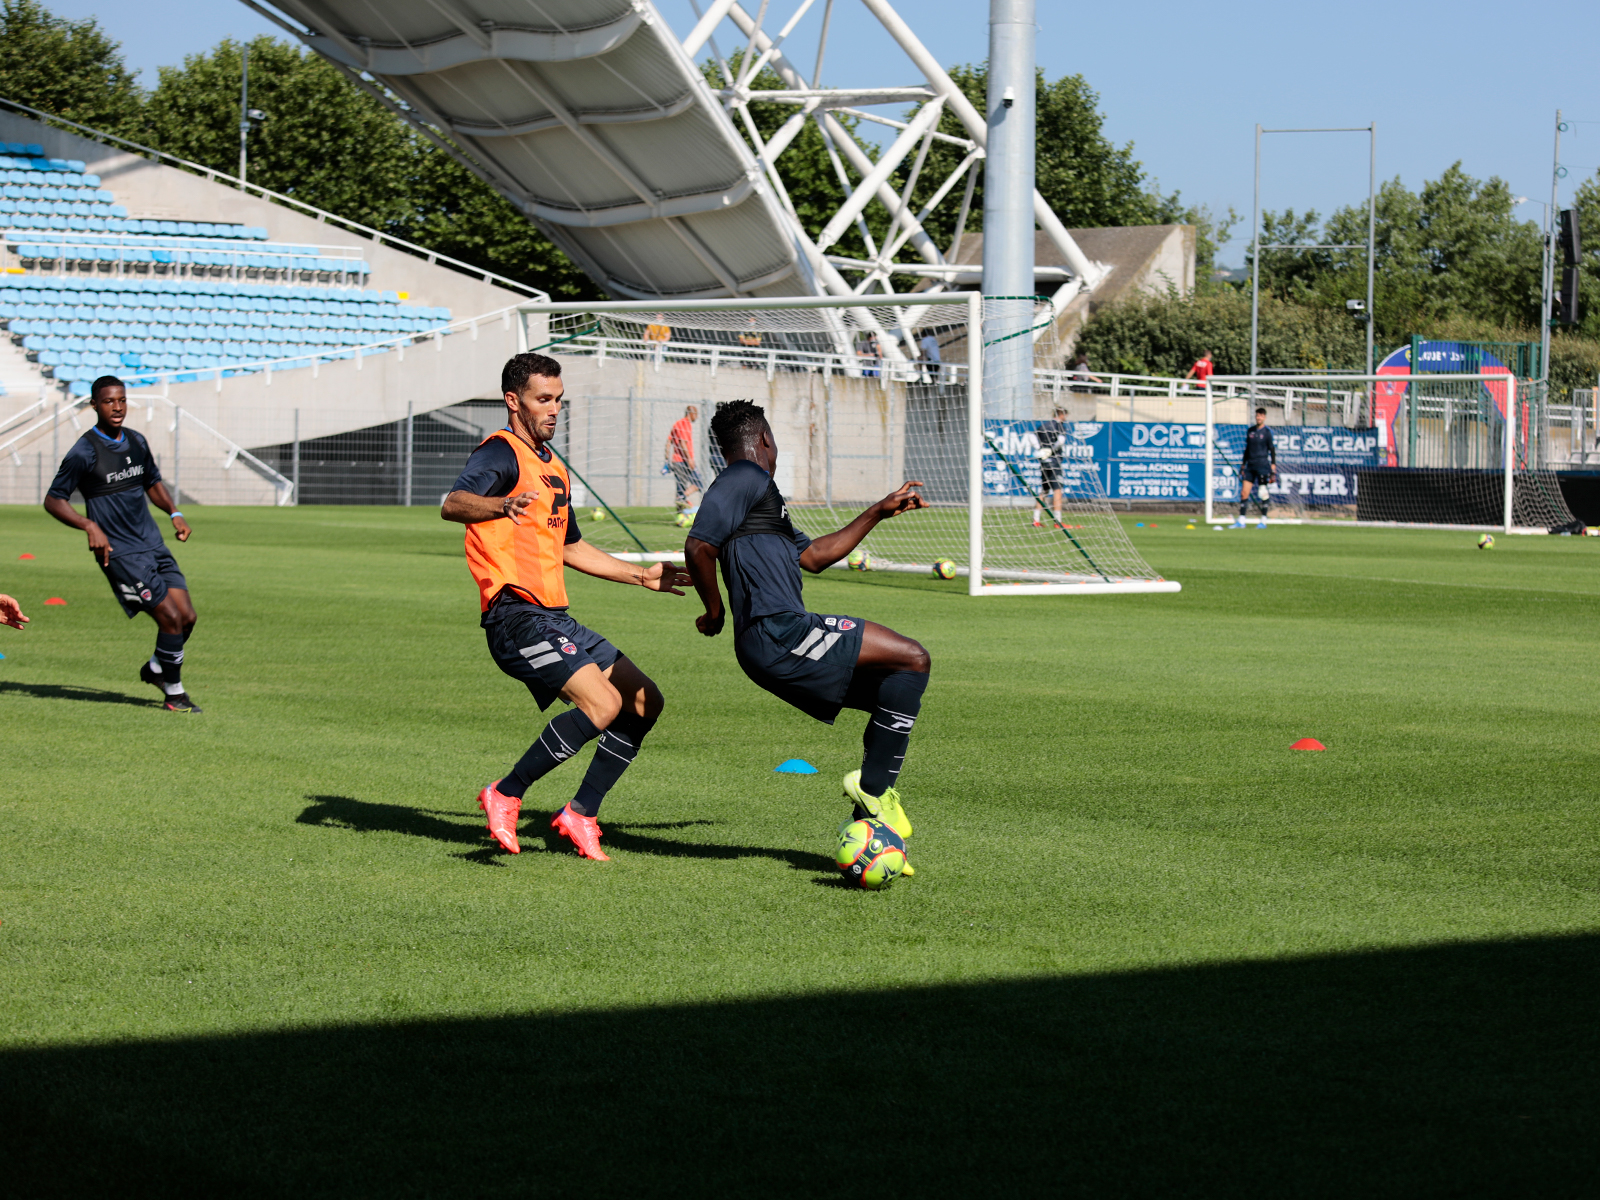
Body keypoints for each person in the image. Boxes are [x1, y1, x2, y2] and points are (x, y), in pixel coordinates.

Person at [443, 352, 692, 860]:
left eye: (559, 399)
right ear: (513, 402)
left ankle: (580, 814)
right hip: (514, 614)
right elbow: (453, 503)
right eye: (543, 399)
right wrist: (498, 505)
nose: (554, 409)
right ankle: (506, 793)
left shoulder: (552, 466)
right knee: (603, 705)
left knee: (644, 701)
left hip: (553, 615)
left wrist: (639, 575)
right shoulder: (500, 453)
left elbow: (571, 547)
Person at [684, 400, 931, 873]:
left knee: (891, 694)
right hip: (779, 632)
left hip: (777, 639)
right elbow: (699, 546)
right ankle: (874, 791)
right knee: (912, 658)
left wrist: (878, 511)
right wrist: (714, 610)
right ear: (764, 441)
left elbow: (814, 555)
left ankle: (871, 824)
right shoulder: (745, 478)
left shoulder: (761, 496)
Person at [44, 375, 201, 712]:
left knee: (187, 617)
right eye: (109, 401)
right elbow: (54, 500)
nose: (117, 407)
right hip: (120, 553)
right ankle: (174, 694)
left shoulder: (136, 441)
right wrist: (88, 525)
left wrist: (175, 513)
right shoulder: (84, 451)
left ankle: (156, 668)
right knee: (170, 618)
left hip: (153, 545)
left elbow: (153, 483)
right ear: (94, 405)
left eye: (122, 400)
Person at [1233, 407, 1276, 529]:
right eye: (1257, 415)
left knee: (1262, 492)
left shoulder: (1267, 432)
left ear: (1264, 417)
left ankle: (1263, 521)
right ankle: (1241, 521)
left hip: (1262, 466)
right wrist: (1243, 464)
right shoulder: (1250, 431)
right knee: (1244, 492)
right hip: (1250, 466)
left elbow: (1272, 449)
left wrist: (1273, 466)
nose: (1259, 417)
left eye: (1261, 416)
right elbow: (1247, 450)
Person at [1033, 404, 1070, 528]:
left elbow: (1031, 436)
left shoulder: (1043, 426)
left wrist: (1040, 449)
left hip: (1044, 461)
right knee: (1057, 490)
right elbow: (1061, 441)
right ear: (1061, 414)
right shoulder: (1059, 426)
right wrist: (1051, 450)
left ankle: (1036, 519)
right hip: (1054, 462)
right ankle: (1057, 521)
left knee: (1044, 490)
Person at [665, 405, 703, 514]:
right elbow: (683, 443)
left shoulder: (676, 424)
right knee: (698, 483)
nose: (697, 417)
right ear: (691, 413)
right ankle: (682, 497)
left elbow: (668, 442)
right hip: (684, 461)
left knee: (680, 487)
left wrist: (667, 459)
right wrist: (690, 459)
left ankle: (679, 515)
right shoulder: (686, 424)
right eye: (696, 414)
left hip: (675, 461)